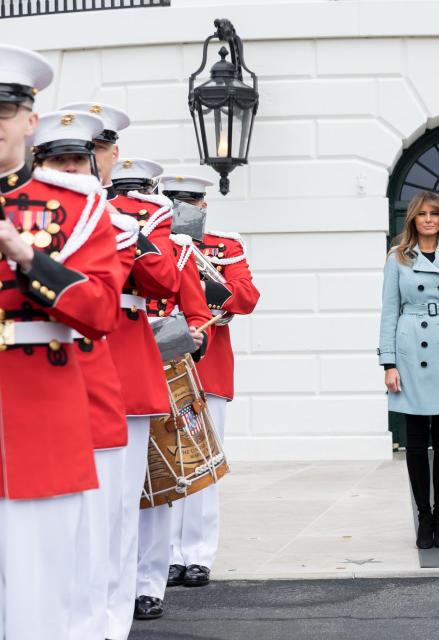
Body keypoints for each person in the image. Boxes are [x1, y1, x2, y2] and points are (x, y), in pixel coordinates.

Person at [0, 46, 123, 639]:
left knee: (43, 597)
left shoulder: (74, 206)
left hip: (39, 419)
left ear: (29, 118)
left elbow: (100, 311)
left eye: (3, 109)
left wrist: (28, 257)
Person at [164, 174, 260, 586]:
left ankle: (198, 554)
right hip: (163, 362)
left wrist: (201, 285)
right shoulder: (153, 244)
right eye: (176, 201)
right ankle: (166, 554)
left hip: (208, 367)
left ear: (204, 205)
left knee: (203, 462)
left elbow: (247, 297)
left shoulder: (224, 245)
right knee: (166, 463)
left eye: (191, 201)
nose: (185, 208)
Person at [106, 157, 182, 640]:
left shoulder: (150, 217)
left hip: (134, 351)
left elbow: (169, 283)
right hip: (78, 354)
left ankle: (140, 587)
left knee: (139, 491)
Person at [134, 179, 212, 620]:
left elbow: (195, 308)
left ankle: (149, 582)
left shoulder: (174, 244)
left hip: (163, 367)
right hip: (112, 364)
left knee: (161, 479)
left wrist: (191, 334)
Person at [378, 191, 439, 549]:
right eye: (422, 214)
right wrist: (388, 362)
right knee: (416, 442)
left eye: (435, 213)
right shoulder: (398, 258)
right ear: (413, 219)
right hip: (411, 348)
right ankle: (423, 516)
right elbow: (389, 311)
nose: (429, 219)